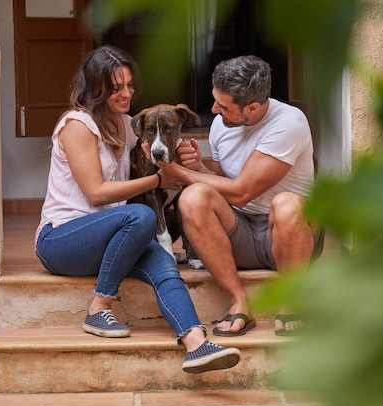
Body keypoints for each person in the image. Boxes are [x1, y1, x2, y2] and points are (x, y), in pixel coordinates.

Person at [34, 45, 240, 373]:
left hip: (113, 240)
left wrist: (185, 157)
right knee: (141, 215)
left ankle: (197, 344)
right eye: (116, 88)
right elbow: (97, 193)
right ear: (95, 88)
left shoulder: (130, 126)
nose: (126, 93)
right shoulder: (77, 124)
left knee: (164, 264)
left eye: (130, 85)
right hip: (61, 240)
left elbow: (159, 156)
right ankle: (99, 307)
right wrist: (157, 181)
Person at [157, 55, 324, 337]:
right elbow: (222, 178)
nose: (213, 109)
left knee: (287, 204)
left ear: (253, 107)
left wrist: (177, 172)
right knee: (193, 197)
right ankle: (239, 299)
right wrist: (198, 166)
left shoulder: (289, 123)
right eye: (215, 100)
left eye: (222, 106)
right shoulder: (225, 124)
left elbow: (242, 191)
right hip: (241, 233)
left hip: (288, 236)